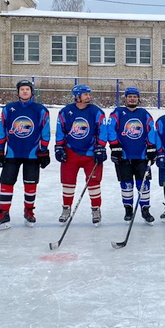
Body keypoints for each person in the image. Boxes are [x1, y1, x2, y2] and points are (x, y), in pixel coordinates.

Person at [0, 79, 51, 229]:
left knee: (30, 184)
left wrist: (43, 150)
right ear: (18, 92)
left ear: (32, 92)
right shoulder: (9, 108)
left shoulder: (40, 109)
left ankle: (29, 211)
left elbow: (45, 132)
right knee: (6, 183)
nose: (25, 91)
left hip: (32, 154)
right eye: (22, 89)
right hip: (12, 153)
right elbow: (2, 130)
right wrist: (0, 149)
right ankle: (4, 213)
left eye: (27, 89)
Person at [54, 84, 107, 226]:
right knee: (67, 182)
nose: (88, 96)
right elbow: (60, 130)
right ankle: (66, 209)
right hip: (71, 152)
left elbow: (102, 130)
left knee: (94, 183)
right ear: (77, 96)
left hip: (91, 153)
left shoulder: (97, 112)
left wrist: (101, 147)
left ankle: (96, 209)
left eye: (89, 94)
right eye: (85, 94)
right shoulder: (65, 112)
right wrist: (59, 146)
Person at [106, 87, 158, 224]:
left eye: (135, 96)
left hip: (141, 156)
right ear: (125, 98)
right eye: (130, 96)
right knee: (126, 184)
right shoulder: (117, 112)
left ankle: (145, 209)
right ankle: (128, 209)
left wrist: (152, 147)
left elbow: (151, 130)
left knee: (144, 184)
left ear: (138, 99)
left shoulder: (144, 113)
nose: (132, 99)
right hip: (123, 156)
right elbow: (110, 129)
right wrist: (114, 146)